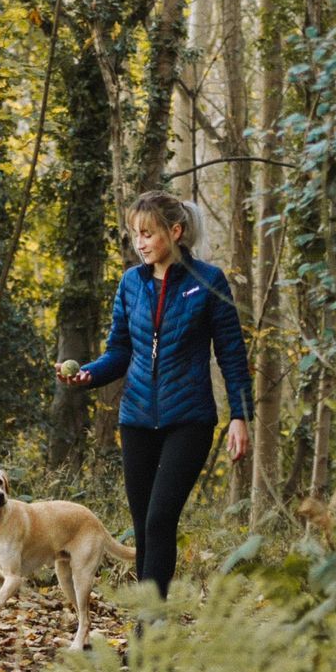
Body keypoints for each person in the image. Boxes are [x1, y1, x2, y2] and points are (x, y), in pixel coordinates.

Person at [56, 190, 253, 599]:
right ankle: (148, 626)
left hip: (190, 420)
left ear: (175, 232)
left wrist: (240, 415)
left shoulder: (208, 282)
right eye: (135, 235)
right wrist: (87, 376)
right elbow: (120, 352)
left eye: (147, 233)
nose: (140, 242)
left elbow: (231, 353)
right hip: (137, 420)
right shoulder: (131, 284)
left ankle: (150, 627)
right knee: (145, 522)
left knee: (162, 518)